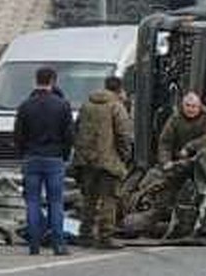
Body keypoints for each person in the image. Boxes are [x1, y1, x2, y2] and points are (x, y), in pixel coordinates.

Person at [13, 66, 73, 256]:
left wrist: (24, 152)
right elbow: (69, 135)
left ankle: (34, 244)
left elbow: (18, 135)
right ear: (53, 81)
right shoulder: (62, 105)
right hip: (54, 158)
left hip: (32, 157)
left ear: (36, 80)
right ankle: (58, 244)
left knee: (32, 201)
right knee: (56, 202)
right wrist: (64, 155)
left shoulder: (25, 105)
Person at [71, 75, 132, 249]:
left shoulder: (86, 105)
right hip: (109, 161)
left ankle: (85, 234)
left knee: (89, 198)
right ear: (120, 89)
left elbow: (77, 129)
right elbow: (123, 135)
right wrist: (124, 157)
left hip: (86, 160)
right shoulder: (116, 107)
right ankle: (105, 236)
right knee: (109, 199)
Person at [157, 92, 206, 167]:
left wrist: (189, 147)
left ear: (199, 107)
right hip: (178, 160)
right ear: (183, 106)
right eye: (187, 105)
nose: (190, 109)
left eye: (194, 106)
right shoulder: (175, 118)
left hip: (202, 161)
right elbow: (165, 142)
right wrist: (165, 161)